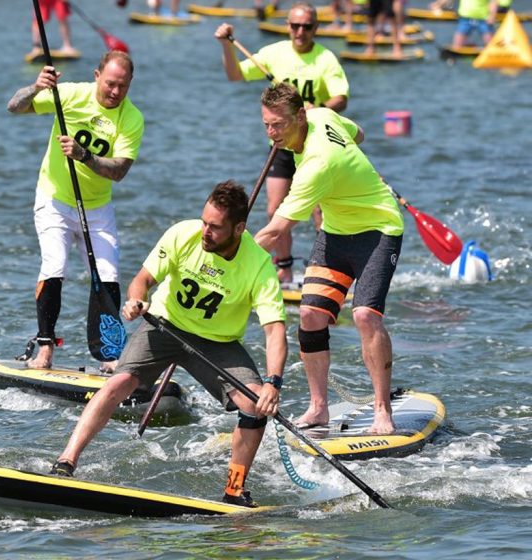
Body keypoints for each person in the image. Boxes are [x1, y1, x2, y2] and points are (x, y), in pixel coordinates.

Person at [49, 181, 287, 508]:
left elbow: (275, 331)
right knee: (118, 381)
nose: (205, 231)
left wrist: (273, 382)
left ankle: (234, 489)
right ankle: (66, 462)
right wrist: (135, 300)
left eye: (216, 227)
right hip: (164, 327)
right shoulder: (182, 234)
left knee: (253, 404)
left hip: (217, 343)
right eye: (204, 221)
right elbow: (143, 280)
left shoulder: (259, 266)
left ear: (239, 228)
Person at [254, 83, 404, 435]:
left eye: (279, 125)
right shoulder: (322, 115)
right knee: (309, 314)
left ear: (301, 117)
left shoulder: (317, 165)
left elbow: (276, 231)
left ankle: (382, 411)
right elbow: (359, 132)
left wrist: (228, 256)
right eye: (266, 125)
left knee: (365, 315)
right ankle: (318, 408)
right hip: (336, 231)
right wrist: (354, 163)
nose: (272, 134)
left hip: (379, 228)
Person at [7, 51, 144, 371]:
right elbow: (14, 106)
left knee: (108, 276)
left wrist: (85, 157)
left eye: (122, 86)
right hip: (54, 200)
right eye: (110, 84)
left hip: (97, 208)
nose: (115, 92)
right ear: (97, 76)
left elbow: (120, 170)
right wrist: (36, 87)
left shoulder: (132, 118)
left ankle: (110, 356)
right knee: (55, 265)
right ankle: (45, 349)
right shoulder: (69, 94)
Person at [214, 2, 349, 285]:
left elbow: (341, 98)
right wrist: (226, 45)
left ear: (316, 28)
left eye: (307, 27)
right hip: (283, 144)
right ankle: (285, 269)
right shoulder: (273, 54)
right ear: (288, 26)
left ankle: (329, 269)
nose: (300, 32)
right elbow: (234, 74)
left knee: (321, 212)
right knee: (276, 210)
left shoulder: (325, 59)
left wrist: (317, 108)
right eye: (295, 26)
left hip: (315, 145)